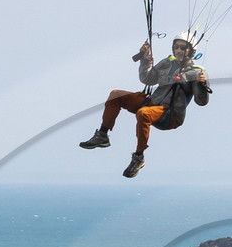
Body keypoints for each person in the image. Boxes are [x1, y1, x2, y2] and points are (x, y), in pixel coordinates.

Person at [80, 37, 211, 178]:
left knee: (143, 113)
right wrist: (145, 58)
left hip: (169, 115)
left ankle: (138, 157)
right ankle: (102, 136)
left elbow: (201, 102)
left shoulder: (196, 73)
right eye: (176, 47)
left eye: (182, 47)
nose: (178, 50)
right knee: (115, 95)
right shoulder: (167, 62)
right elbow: (147, 78)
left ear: (191, 51)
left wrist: (202, 85)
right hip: (151, 103)